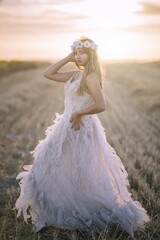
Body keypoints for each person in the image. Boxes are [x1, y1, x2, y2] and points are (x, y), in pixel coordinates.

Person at [14, 36, 150, 238]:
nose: (78, 56)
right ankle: (63, 205)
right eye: (76, 52)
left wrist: (78, 113)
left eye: (81, 52)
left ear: (91, 54)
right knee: (50, 164)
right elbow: (47, 73)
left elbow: (101, 105)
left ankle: (84, 209)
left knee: (82, 170)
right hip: (66, 126)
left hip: (81, 128)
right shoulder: (75, 74)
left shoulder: (92, 76)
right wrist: (68, 57)